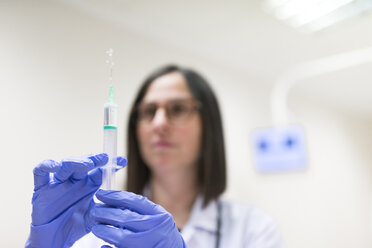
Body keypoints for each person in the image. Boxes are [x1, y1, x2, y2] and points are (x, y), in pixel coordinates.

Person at [26, 65, 284, 248]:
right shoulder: (94, 224)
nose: (159, 123)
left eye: (178, 108)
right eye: (149, 111)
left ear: (209, 126)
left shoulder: (252, 229)